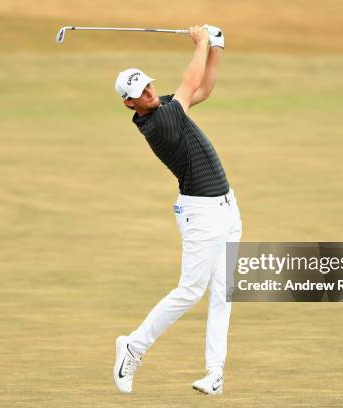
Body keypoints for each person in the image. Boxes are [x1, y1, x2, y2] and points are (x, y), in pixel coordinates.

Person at [112, 25, 242, 395]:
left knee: (223, 293)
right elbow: (189, 83)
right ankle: (132, 348)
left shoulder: (164, 105)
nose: (150, 93)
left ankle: (214, 373)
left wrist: (217, 46)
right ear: (129, 103)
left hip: (227, 209)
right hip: (202, 214)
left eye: (149, 86)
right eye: (141, 93)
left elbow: (202, 89)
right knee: (190, 291)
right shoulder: (160, 122)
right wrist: (201, 42)